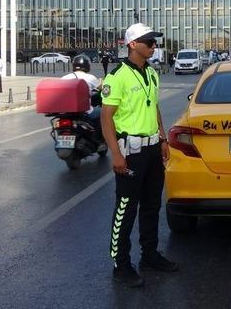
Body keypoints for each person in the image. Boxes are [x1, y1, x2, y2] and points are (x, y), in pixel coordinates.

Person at [101, 22, 178, 288]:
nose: (154, 46)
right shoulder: (117, 76)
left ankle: (150, 254)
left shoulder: (152, 74)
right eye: (149, 42)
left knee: (152, 204)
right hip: (130, 151)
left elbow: (154, 107)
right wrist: (115, 154)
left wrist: (163, 138)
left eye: (155, 42)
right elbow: (106, 119)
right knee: (125, 208)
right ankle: (120, 265)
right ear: (133, 44)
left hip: (153, 148)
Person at [61, 55, 102, 131]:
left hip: (67, 112)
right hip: (85, 111)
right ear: (87, 66)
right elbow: (102, 88)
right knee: (104, 112)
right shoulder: (90, 77)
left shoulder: (64, 78)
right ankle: (101, 135)